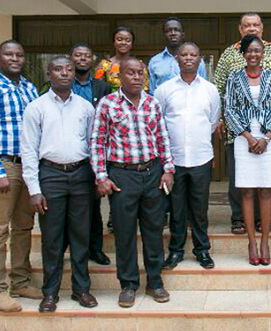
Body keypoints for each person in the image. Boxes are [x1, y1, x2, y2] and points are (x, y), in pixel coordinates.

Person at [90, 57, 174, 308]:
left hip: (152, 173)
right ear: (120, 77)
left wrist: (168, 169)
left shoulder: (152, 103)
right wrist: (101, 176)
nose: (137, 77)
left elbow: (162, 137)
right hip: (122, 176)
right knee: (124, 233)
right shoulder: (107, 104)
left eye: (140, 73)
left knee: (153, 231)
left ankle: (155, 282)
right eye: (131, 73)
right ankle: (128, 285)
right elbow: (97, 141)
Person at [20, 56, 98, 313]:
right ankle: (50, 292)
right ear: (49, 73)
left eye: (69, 69)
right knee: (52, 238)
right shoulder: (36, 107)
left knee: (80, 236)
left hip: (80, 175)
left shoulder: (86, 107)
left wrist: (97, 175)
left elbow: (94, 145)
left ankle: (81, 289)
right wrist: (34, 190)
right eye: (58, 69)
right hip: (50, 176)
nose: (64, 73)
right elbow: (29, 150)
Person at [0, 40, 43, 312]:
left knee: (24, 226)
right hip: (4, 165)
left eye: (19, 55)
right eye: (8, 54)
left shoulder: (29, 88)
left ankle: (20, 280)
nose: (15, 58)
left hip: (28, 166)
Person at [213, 12, 271, 235]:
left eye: (256, 25)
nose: (252, 28)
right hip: (238, 128)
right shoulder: (229, 54)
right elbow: (219, 88)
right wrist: (220, 118)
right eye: (247, 25)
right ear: (240, 29)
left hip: (269, 129)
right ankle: (239, 218)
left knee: (264, 177)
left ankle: (259, 220)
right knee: (239, 175)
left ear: (262, 28)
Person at [156, 43, 219, 270]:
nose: (189, 58)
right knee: (177, 208)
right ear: (177, 59)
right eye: (184, 55)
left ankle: (202, 251)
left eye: (194, 55)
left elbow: (212, 122)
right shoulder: (164, 90)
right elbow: (159, 123)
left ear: (200, 59)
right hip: (174, 161)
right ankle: (176, 251)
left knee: (199, 209)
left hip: (201, 158)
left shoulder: (210, 90)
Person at [224, 34, 271, 266]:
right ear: (243, 53)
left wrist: (266, 138)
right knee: (247, 192)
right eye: (249, 50)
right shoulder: (234, 77)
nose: (253, 54)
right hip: (243, 140)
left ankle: (265, 241)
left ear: (263, 53)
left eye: (257, 50)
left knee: (266, 191)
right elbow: (228, 110)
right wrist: (249, 138)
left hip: (268, 140)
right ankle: (251, 242)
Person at [70, 43, 112, 266]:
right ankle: (74, 249)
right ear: (71, 58)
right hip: (69, 149)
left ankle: (96, 248)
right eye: (78, 55)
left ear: (92, 59)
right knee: (72, 207)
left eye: (87, 55)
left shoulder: (102, 87)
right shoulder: (64, 84)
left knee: (94, 204)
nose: (82, 59)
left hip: (94, 151)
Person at [148, 17, 207, 95]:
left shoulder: (195, 61)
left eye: (177, 30)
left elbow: (203, 87)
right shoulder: (154, 62)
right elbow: (152, 93)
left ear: (183, 34)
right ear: (164, 35)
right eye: (168, 30)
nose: (173, 33)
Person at [94, 26, 149, 92]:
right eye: (119, 39)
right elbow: (97, 89)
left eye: (128, 40)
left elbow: (145, 90)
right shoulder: (104, 65)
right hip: (110, 101)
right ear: (114, 42)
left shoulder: (140, 66)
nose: (123, 43)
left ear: (132, 44)